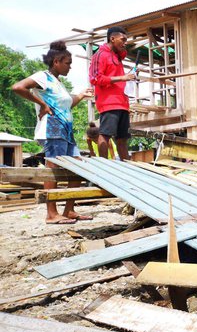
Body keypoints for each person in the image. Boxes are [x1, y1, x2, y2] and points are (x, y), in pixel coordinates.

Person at [11, 41, 94, 224]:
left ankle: (69, 210)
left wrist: (80, 95)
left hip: (66, 131)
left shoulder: (58, 83)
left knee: (79, 168)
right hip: (52, 129)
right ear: (56, 61)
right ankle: (51, 213)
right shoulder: (43, 77)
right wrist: (42, 104)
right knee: (53, 170)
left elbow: (66, 105)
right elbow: (18, 87)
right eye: (67, 63)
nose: (70, 67)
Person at [89, 26, 135, 160]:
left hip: (122, 103)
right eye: (123, 39)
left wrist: (127, 77)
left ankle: (127, 170)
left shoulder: (116, 56)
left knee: (122, 139)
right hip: (109, 103)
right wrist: (122, 77)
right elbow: (95, 78)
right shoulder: (100, 54)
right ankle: (103, 167)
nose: (125, 42)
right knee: (105, 135)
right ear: (112, 38)